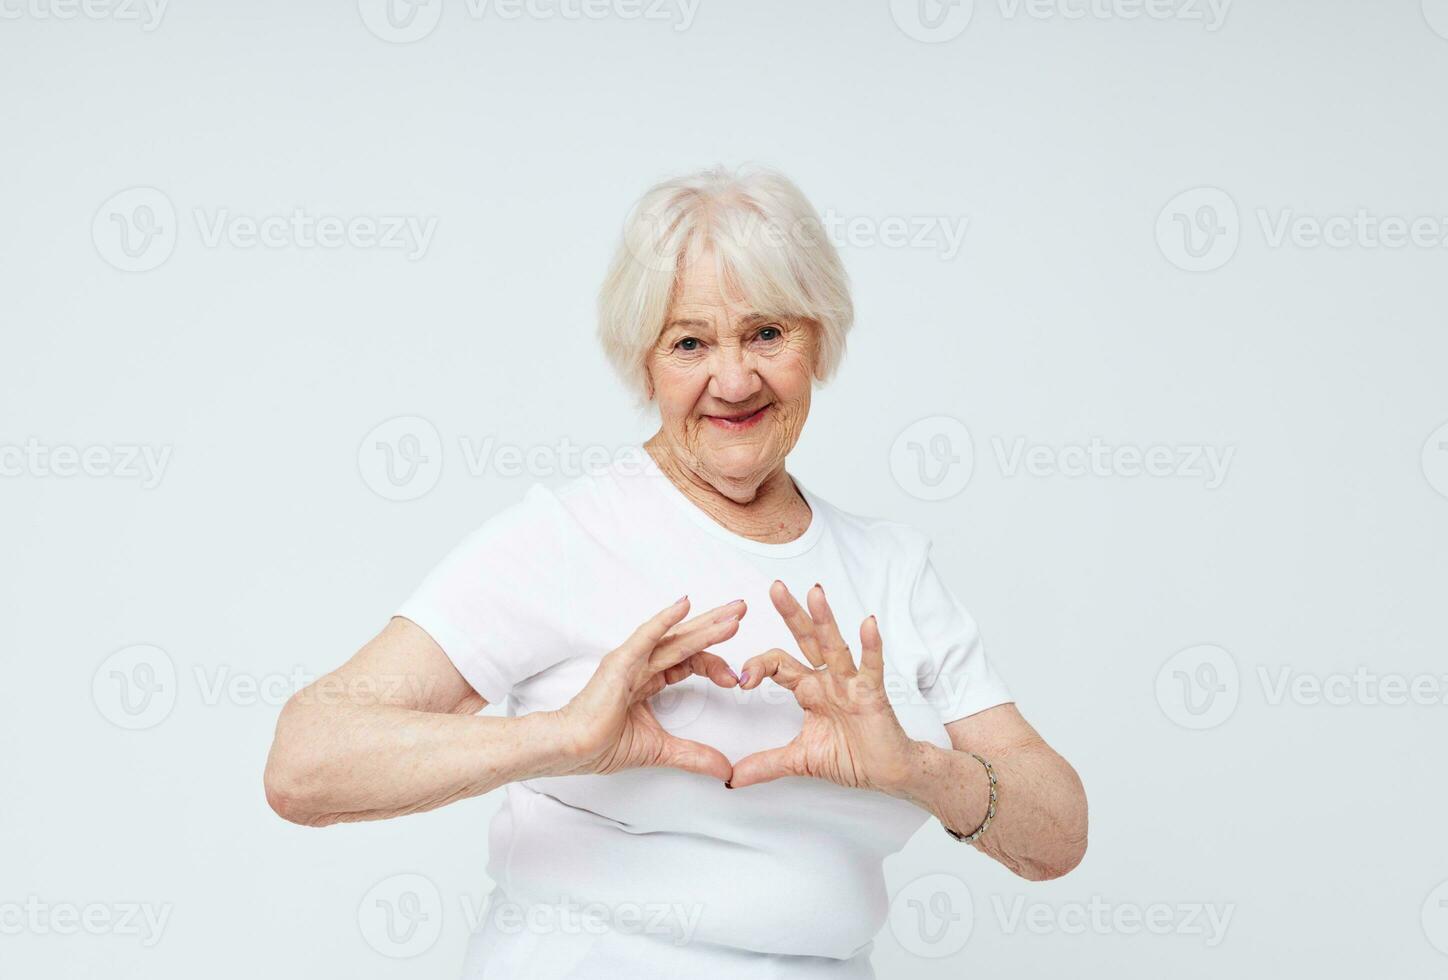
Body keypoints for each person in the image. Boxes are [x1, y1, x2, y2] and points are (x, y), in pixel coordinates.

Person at [264, 164, 1087, 979]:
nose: (734, 381)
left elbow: (1058, 838)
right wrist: (565, 739)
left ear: (820, 339)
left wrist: (916, 767)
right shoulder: (566, 535)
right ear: (645, 364)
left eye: (767, 333)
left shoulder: (891, 569)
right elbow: (307, 761)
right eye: (690, 343)